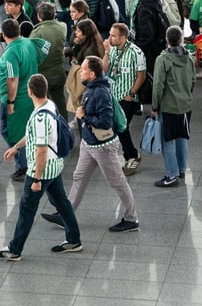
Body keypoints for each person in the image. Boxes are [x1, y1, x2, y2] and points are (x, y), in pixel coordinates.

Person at [42, 55, 140, 233]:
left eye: (84, 69)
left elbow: (105, 121)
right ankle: (66, 214)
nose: (81, 71)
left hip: (102, 147)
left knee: (117, 182)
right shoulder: (93, 88)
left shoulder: (100, 92)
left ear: (93, 74)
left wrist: (84, 116)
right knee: (79, 176)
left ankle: (131, 219)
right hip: (89, 143)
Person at [0, 74, 81, 261]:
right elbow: (35, 137)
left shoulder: (40, 118)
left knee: (27, 209)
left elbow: (40, 150)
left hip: (41, 169)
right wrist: (16, 148)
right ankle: (74, 240)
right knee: (62, 202)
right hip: (55, 165)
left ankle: (14, 249)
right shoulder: (50, 106)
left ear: (29, 92)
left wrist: (37, 179)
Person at [0, 18, 50, 182]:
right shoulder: (28, 43)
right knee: (25, 130)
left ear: (4, 34)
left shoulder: (10, 53)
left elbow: (12, 79)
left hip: (17, 100)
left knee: (11, 132)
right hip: (30, 97)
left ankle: (24, 165)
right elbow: (46, 46)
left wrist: (11, 102)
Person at [151, 26, 194, 186]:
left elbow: (158, 86)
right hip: (185, 105)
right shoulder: (189, 57)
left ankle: (171, 175)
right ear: (181, 39)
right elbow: (193, 81)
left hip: (168, 106)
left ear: (167, 39)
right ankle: (182, 169)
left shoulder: (163, 60)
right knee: (182, 136)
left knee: (167, 140)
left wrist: (155, 107)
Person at [103, 23, 146, 176]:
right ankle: (129, 154)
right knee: (119, 126)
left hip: (128, 97)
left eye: (113, 36)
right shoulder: (112, 49)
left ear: (123, 37)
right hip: (114, 95)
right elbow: (105, 69)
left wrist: (132, 94)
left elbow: (141, 75)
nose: (109, 38)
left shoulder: (136, 52)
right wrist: (107, 52)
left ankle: (132, 155)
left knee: (121, 126)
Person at [31, 2, 68, 117]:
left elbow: (32, 53)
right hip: (59, 72)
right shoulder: (62, 27)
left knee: (42, 106)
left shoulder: (37, 33)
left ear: (39, 16)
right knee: (60, 102)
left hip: (43, 75)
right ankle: (63, 127)